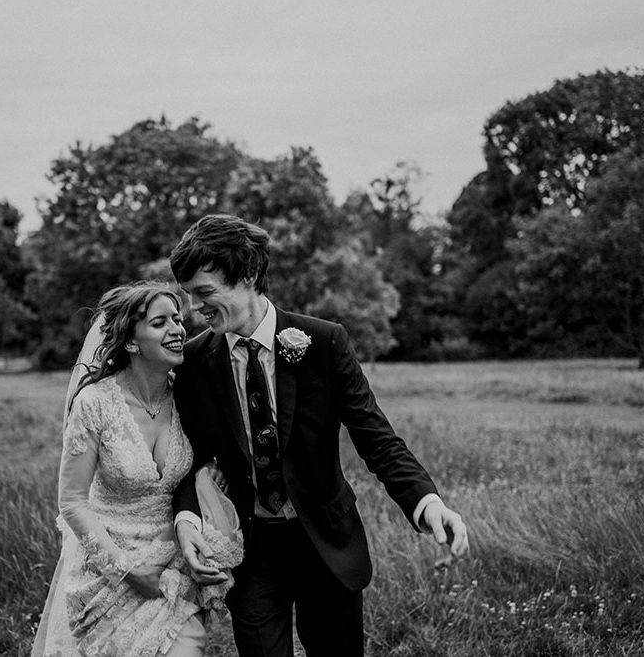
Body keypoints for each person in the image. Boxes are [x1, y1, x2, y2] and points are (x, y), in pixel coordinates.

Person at [169, 215, 469, 657]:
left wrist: (427, 502)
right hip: (251, 552)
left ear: (249, 276)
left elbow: (377, 437)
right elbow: (186, 461)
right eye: (189, 296)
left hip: (327, 544)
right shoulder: (193, 363)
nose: (194, 309)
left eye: (205, 293)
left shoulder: (324, 342)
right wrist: (187, 519)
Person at [32, 282, 243, 657]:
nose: (178, 329)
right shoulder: (95, 403)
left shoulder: (189, 396)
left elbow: (211, 458)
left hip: (171, 568)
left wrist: (210, 483)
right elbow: (73, 502)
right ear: (131, 342)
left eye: (178, 319)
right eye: (160, 323)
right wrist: (126, 569)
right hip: (109, 569)